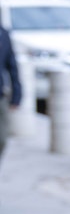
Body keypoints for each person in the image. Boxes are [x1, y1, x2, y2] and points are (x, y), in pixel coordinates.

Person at [0, 24, 21, 170]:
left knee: (2, 138)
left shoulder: (3, 33)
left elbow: (12, 66)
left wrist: (17, 94)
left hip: (0, 95)